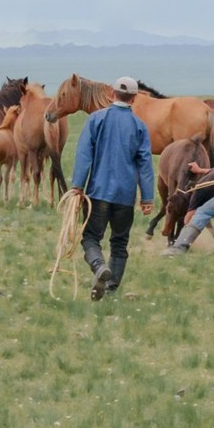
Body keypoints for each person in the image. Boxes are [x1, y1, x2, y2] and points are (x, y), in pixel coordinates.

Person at [68, 76, 154, 300]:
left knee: (90, 237)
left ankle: (98, 267)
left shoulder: (97, 119)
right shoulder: (139, 126)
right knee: (119, 242)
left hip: (98, 192)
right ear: (134, 98)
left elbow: (84, 154)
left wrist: (77, 185)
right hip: (125, 196)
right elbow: (145, 164)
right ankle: (110, 287)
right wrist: (147, 198)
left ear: (112, 94)